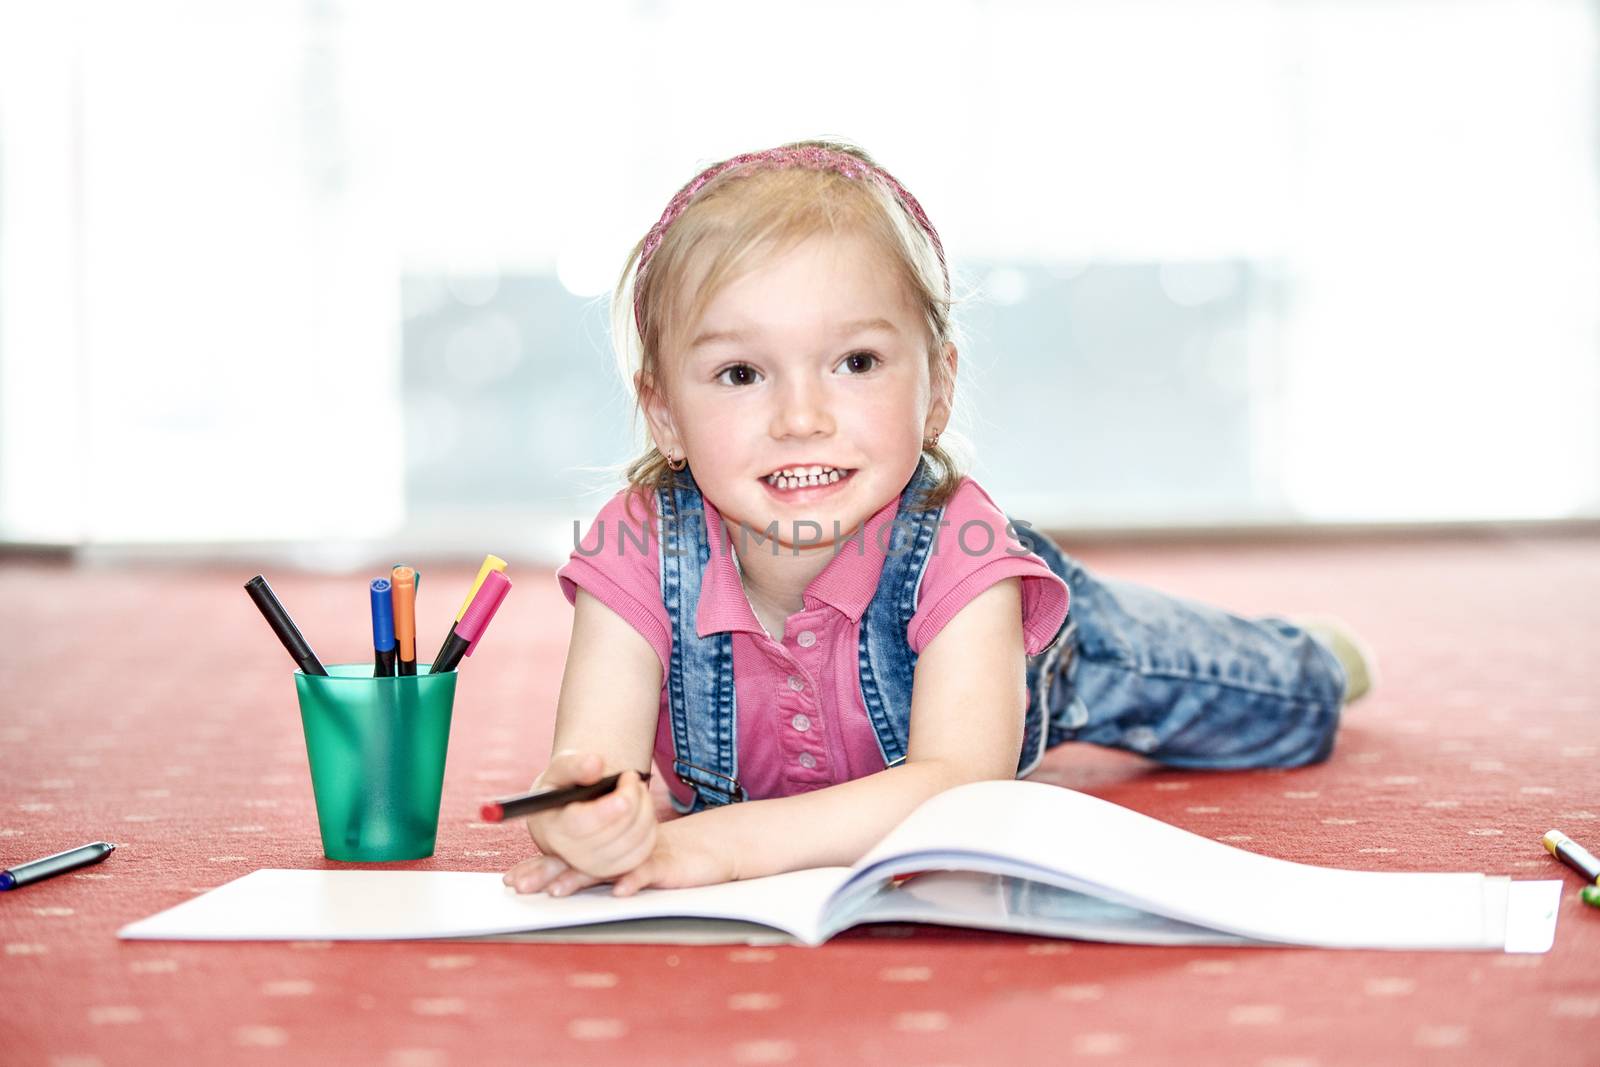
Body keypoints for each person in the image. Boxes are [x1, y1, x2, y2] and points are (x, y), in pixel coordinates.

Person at [502, 139, 1375, 899]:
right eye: (741, 374)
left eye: (855, 361)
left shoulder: (957, 541)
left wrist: (718, 845)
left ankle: (1309, 655)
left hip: (1048, 666)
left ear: (938, 387)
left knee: (1251, 692)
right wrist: (586, 816)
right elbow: (590, 768)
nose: (801, 416)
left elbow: (960, 784)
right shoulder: (637, 539)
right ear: (662, 414)